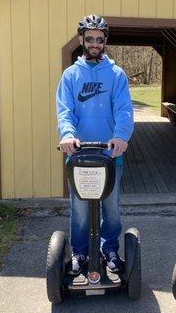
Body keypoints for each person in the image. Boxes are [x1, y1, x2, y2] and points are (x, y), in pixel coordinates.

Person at [56, 14, 134, 274]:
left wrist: (121, 136)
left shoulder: (116, 74)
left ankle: (109, 248)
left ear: (105, 41)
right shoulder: (70, 75)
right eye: (89, 39)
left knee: (111, 207)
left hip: (110, 155)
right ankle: (79, 254)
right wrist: (67, 135)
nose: (94, 43)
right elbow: (65, 111)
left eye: (99, 39)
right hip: (78, 155)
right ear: (81, 40)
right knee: (79, 209)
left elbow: (124, 109)